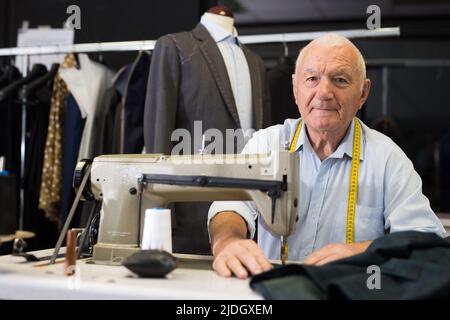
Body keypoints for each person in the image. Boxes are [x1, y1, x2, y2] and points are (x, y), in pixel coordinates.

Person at [207, 33, 446, 279]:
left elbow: (426, 239)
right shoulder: (267, 144)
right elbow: (230, 205)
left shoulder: (387, 159)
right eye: (311, 79)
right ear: (295, 88)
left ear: (363, 93)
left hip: (349, 290)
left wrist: (365, 251)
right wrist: (227, 240)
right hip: (276, 289)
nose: (323, 92)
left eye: (340, 80)